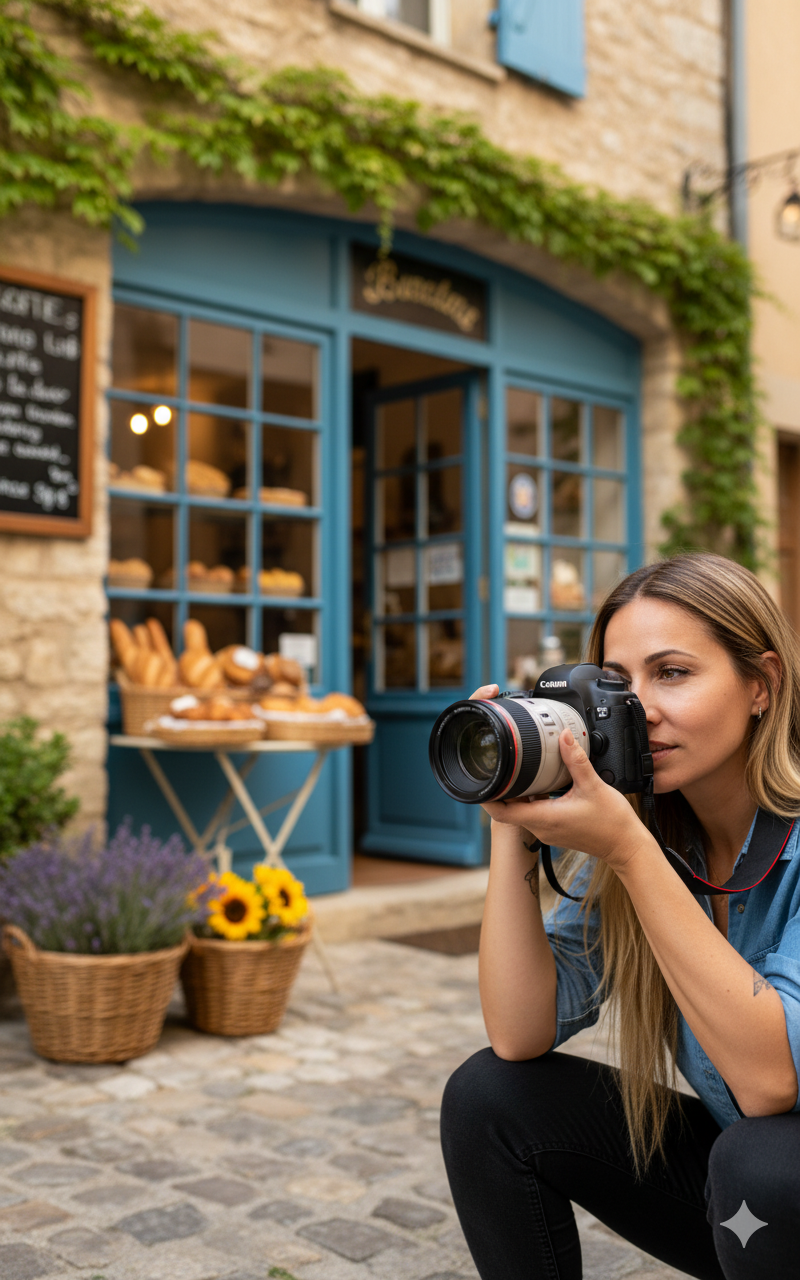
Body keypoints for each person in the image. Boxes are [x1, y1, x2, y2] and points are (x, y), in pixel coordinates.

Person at [440, 553, 800, 1280]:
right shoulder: (654, 833)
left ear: (760, 685)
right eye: (615, 684)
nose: (640, 710)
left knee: (759, 1160)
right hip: (752, 1207)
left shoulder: (640, 844)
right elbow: (519, 1032)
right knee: (488, 1096)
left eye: (672, 673)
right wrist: (511, 827)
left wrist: (633, 855)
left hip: (771, 1189)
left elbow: (771, 1082)